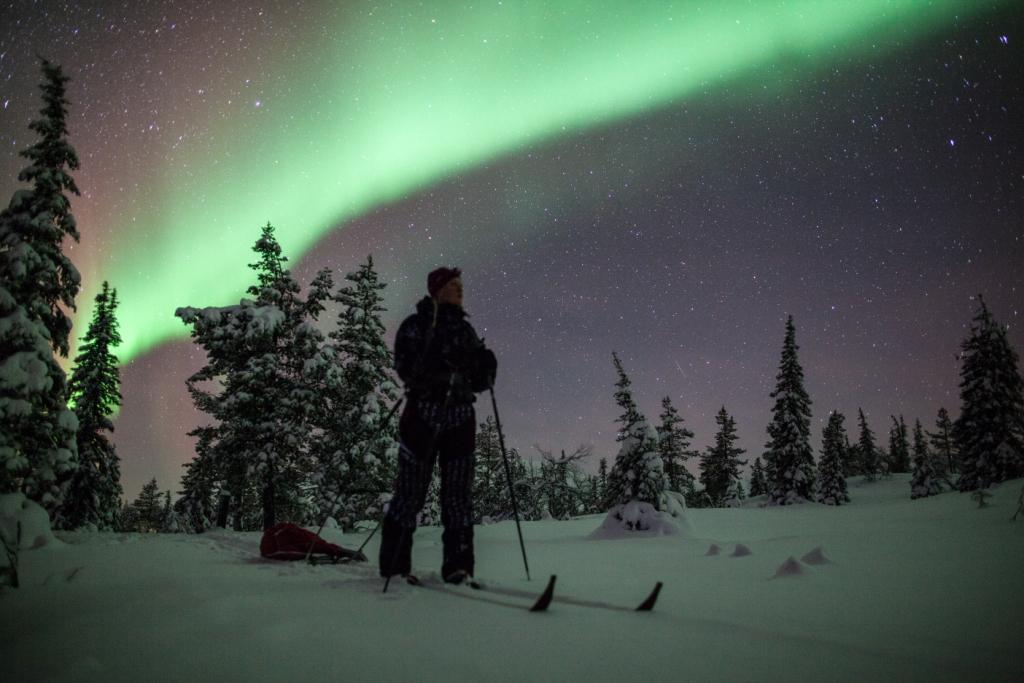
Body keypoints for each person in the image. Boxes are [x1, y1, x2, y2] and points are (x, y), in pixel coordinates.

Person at [379, 267, 497, 584]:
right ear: (436, 289)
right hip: (423, 416)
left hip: (460, 419)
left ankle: (459, 567)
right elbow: (406, 367)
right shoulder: (416, 325)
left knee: (458, 495)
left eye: (461, 285)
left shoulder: (466, 331)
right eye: (453, 285)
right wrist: (437, 372)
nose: (459, 290)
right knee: (410, 492)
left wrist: (486, 369)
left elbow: (478, 382)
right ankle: (394, 566)